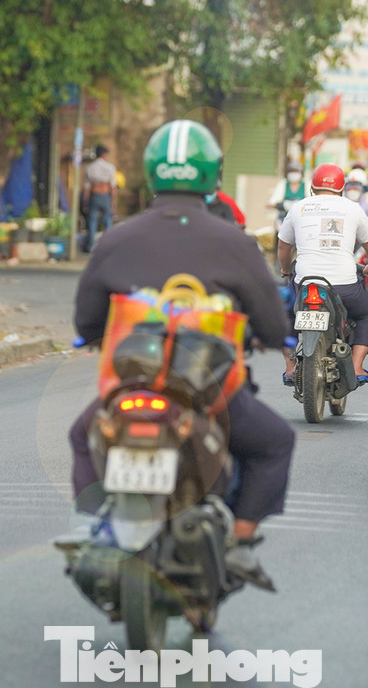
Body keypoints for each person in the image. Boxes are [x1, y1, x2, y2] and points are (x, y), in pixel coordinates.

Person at [70, 119, 294, 591]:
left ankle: (97, 529)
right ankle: (241, 544)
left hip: (132, 388)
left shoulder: (115, 238)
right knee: (275, 443)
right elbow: (274, 324)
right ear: (213, 174)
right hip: (208, 391)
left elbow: (87, 323)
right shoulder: (235, 242)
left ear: (152, 173)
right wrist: (275, 338)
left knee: (81, 434)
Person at [277, 163, 368, 384]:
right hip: (344, 285)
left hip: (304, 283)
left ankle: (289, 368)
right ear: (342, 189)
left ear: (312, 189)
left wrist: (286, 270)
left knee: (285, 315)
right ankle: (356, 366)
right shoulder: (353, 208)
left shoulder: (299, 207)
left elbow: (284, 247)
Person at [82, 144, 117, 252]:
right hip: (105, 195)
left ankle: (91, 246)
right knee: (107, 220)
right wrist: (113, 201)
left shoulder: (90, 167)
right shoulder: (110, 167)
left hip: (94, 195)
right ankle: (109, 245)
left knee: (92, 221)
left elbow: (87, 187)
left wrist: (85, 202)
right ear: (104, 155)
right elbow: (112, 186)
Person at [268, 161, 307, 230]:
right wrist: (283, 205)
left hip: (301, 219)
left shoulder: (306, 184)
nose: (294, 174)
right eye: (292, 172)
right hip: (284, 218)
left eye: (296, 172)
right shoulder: (283, 184)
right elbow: (271, 203)